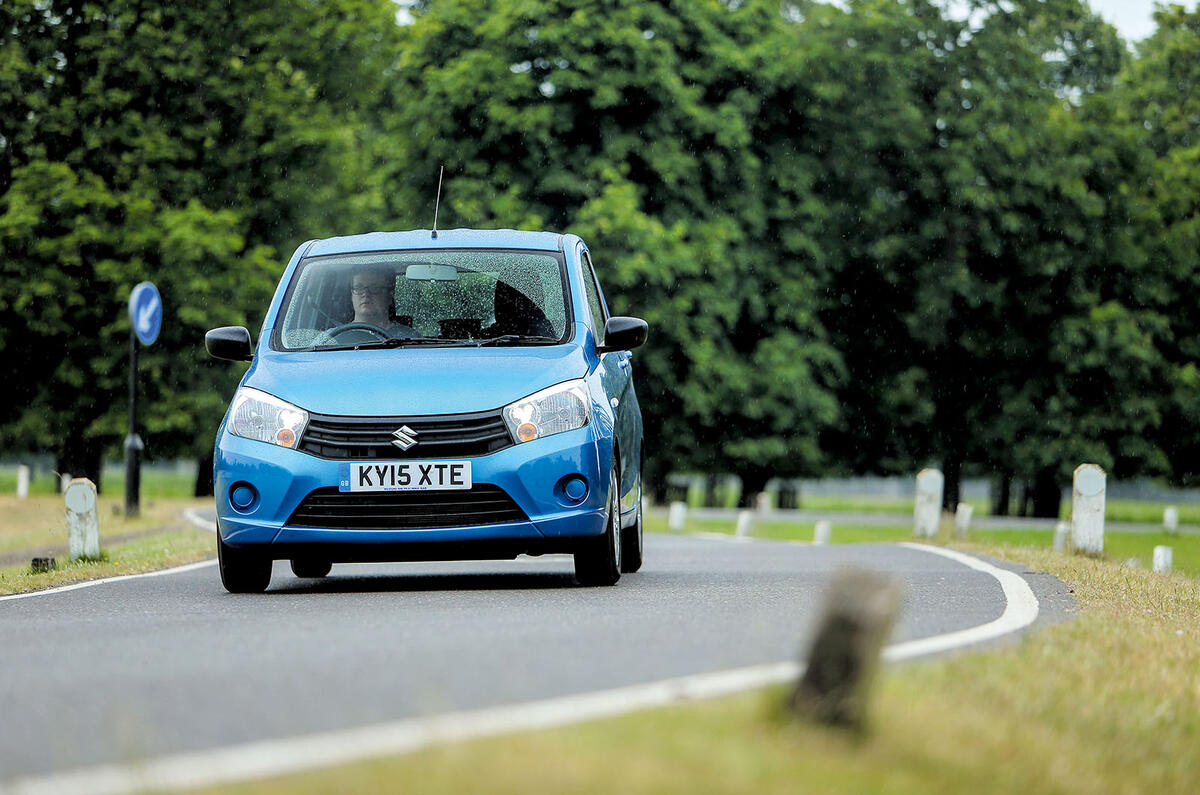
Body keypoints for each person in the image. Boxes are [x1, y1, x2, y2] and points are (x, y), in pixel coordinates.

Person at [346, 268, 416, 338]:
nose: (365, 294)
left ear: (390, 295)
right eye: (359, 288)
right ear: (351, 295)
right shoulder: (336, 339)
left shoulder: (410, 338)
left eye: (374, 288)